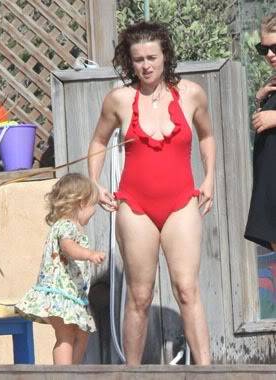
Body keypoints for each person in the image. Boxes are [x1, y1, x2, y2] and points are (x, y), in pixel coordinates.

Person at [88, 22, 215, 365]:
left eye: (152, 58)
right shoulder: (119, 99)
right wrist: (94, 183)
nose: (146, 66)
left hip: (181, 203)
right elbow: (99, 141)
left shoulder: (191, 94)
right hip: (135, 206)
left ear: (165, 57)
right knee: (140, 296)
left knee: (187, 289)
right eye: (138, 59)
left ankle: (208, 371)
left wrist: (210, 178)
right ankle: (131, 372)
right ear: (129, 62)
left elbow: (206, 136)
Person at [15, 173, 105, 365]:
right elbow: (68, 247)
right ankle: (63, 374)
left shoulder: (68, 226)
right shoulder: (66, 226)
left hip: (71, 295)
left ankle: (73, 371)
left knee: (82, 333)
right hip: (60, 294)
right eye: (92, 205)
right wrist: (89, 254)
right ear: (81, 203)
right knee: (66, 336)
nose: (94, 211)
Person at [245, 13, 276, 252]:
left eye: (275, 47)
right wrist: (260, 100)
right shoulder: (272, 84)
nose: (270, 55)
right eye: (264, 49)